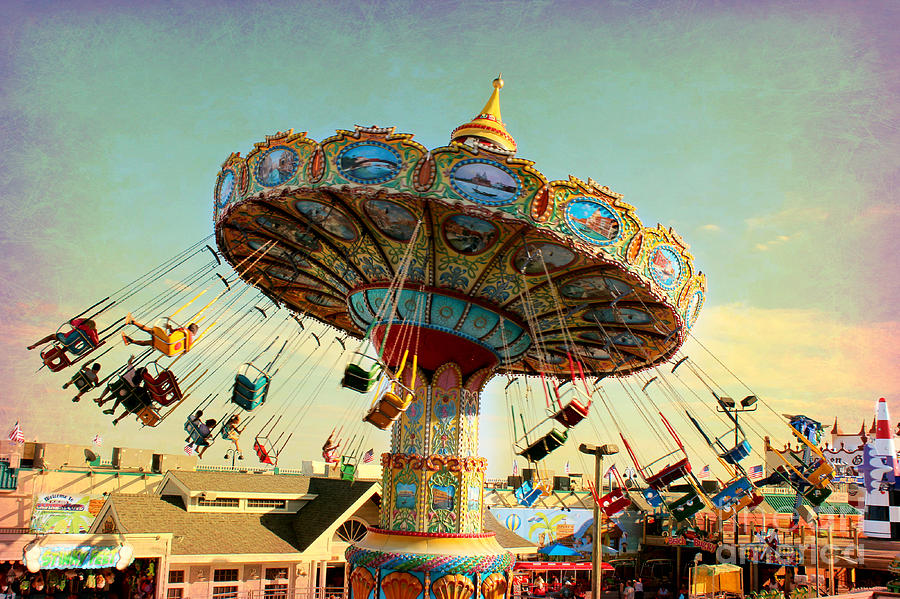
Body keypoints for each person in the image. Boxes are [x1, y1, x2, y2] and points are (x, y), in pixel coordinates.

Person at [121, 313, 198, 351]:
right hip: (167, 349)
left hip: (166, 341)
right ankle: (131, 341)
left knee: (150, 331)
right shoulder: (190, 341)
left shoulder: (185, 331)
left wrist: (169, 327)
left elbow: (173, 332)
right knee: (148, 342)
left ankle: (132, 322)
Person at [28, 318, 100, 351]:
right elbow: (96, 343)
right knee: (65, 349)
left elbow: (72, 321)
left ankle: (35, 345)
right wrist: (95, 332)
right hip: (72, 345)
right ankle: (49, 359)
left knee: (52, 336)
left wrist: (82, 319)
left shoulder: (79, 324)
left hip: (65, 338)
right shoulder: (91, 332)